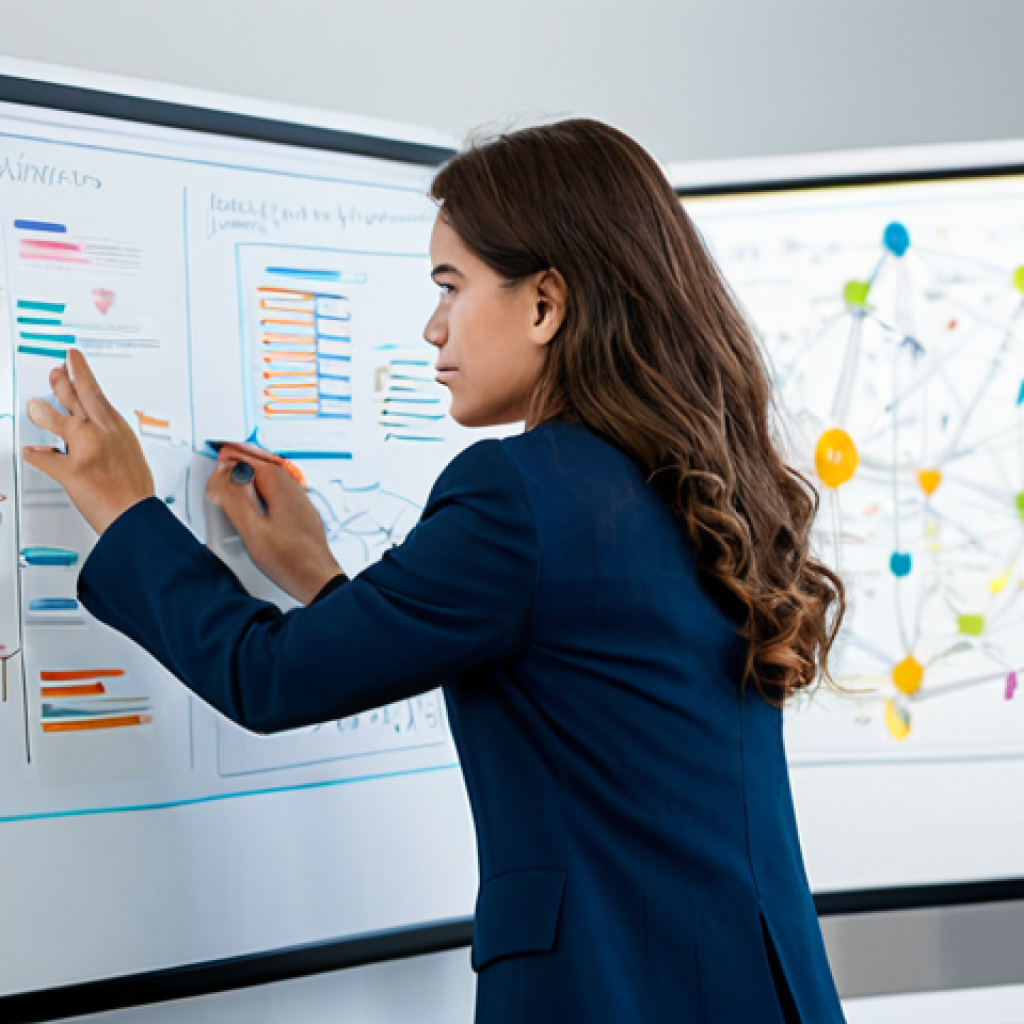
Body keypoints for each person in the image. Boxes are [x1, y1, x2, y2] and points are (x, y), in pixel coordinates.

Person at [24, 119, 847, 1024]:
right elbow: (561, 669)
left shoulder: (521, 494)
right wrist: (321, 579)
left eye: (450, 286)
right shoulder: (697, 482)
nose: (431, 326)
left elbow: (268, 678)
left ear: (545, 303)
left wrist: (127, 511)